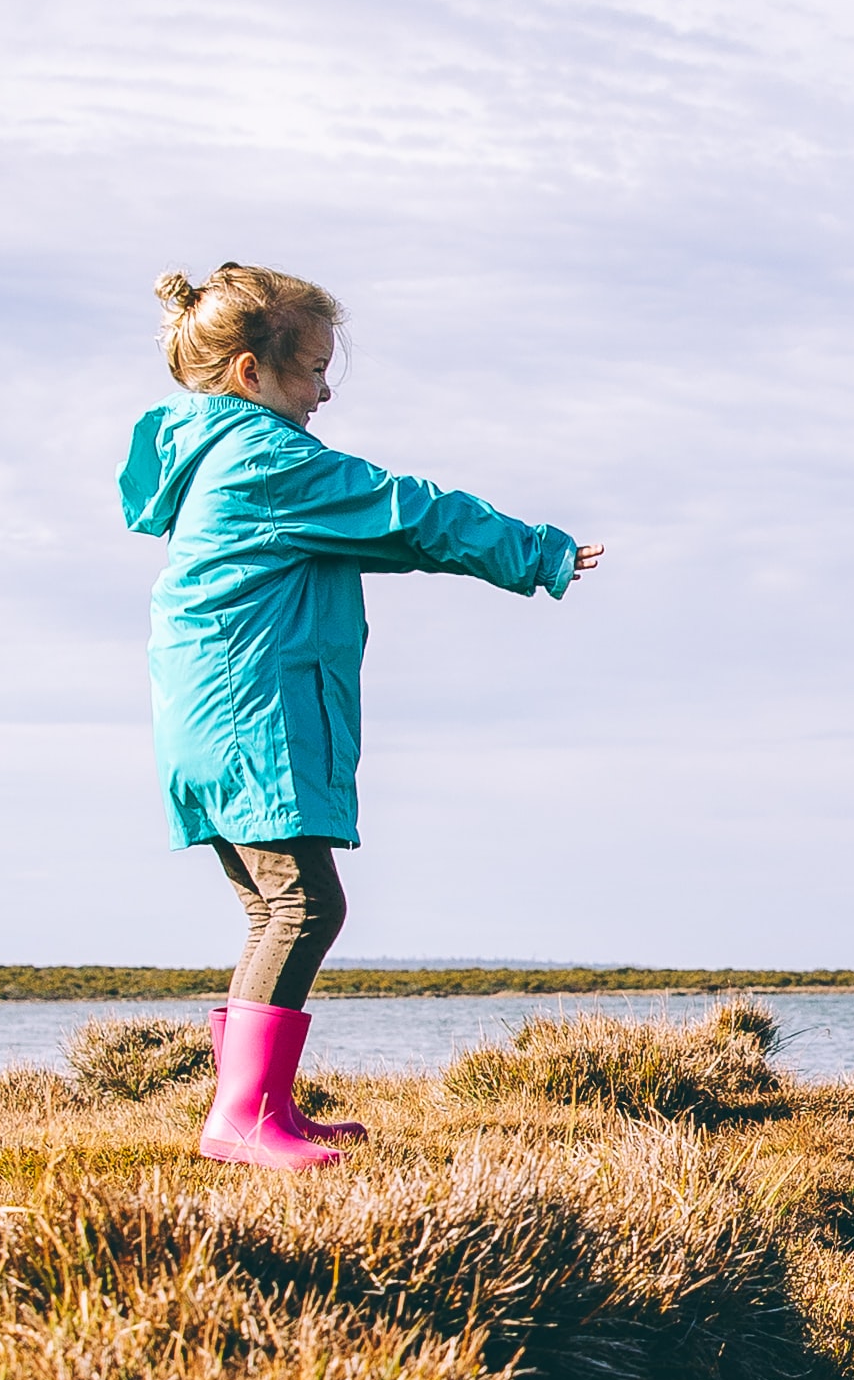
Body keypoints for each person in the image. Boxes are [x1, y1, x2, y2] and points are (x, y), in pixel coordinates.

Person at [120, 265, 602, 1168]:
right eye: (308, 368)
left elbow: (389, 538)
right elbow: (407, 513)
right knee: (304, 906)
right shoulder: (270, 460)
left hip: (209, 721)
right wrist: (538, 550)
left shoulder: (216, 456)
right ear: (249, 374)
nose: (323, 389)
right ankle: (241, 1119)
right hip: (249, 715)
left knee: (273, 910)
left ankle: (262, 1108)